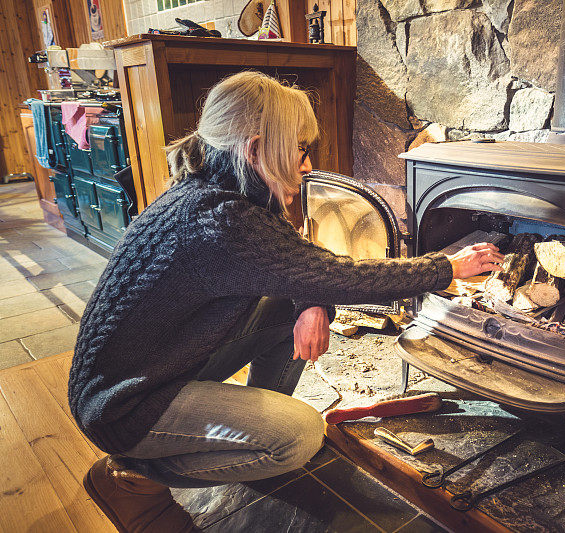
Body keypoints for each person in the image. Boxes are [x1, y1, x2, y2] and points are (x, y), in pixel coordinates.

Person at [68, 71, 504, 532]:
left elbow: (297, 260)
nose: (308, 164)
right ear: (255, 149)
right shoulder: (222, 221)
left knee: (283, 307)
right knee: (299, 436)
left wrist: (310, 303)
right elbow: (340, 275)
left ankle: (247, 432)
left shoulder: (213, 190)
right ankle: (131, 477)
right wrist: (447, 267)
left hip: (151, 367)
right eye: (299, 149)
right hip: (124, 407)